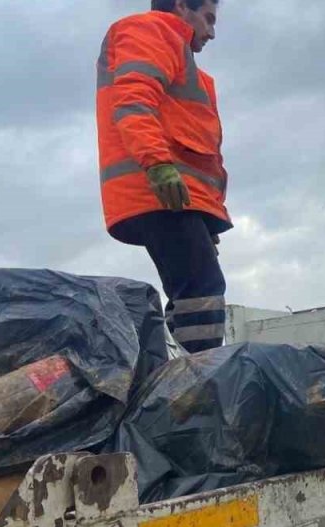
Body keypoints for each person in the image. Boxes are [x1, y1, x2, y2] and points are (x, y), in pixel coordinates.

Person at [96, 0, 228, 353]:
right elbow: (133, 100)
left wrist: (207, 221)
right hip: (158, 191)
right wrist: (156, 163)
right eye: (208, 18)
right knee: (201, 288)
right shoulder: (152, 31)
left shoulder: (181, 60)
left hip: (179, 196)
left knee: (193, 291)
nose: (212, 32)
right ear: (183, 6)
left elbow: (200, 148)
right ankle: (201, 381)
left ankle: (181, 373)